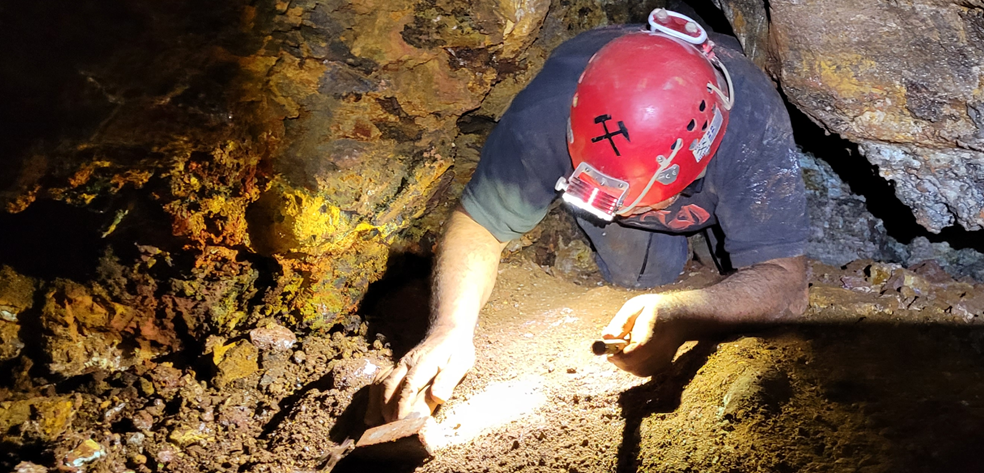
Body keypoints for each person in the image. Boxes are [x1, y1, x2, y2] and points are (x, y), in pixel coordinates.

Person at [370, 9, 810, 424]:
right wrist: (449, 329)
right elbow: (480, 224)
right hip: (636, 165)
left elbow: (786, 282)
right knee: (643, 276)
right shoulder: (545, 116)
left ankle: (701, 240)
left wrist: (686, 312)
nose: (624, 212)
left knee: (738, 273)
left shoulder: (753, 131)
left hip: (724, 180)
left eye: (643, 204)